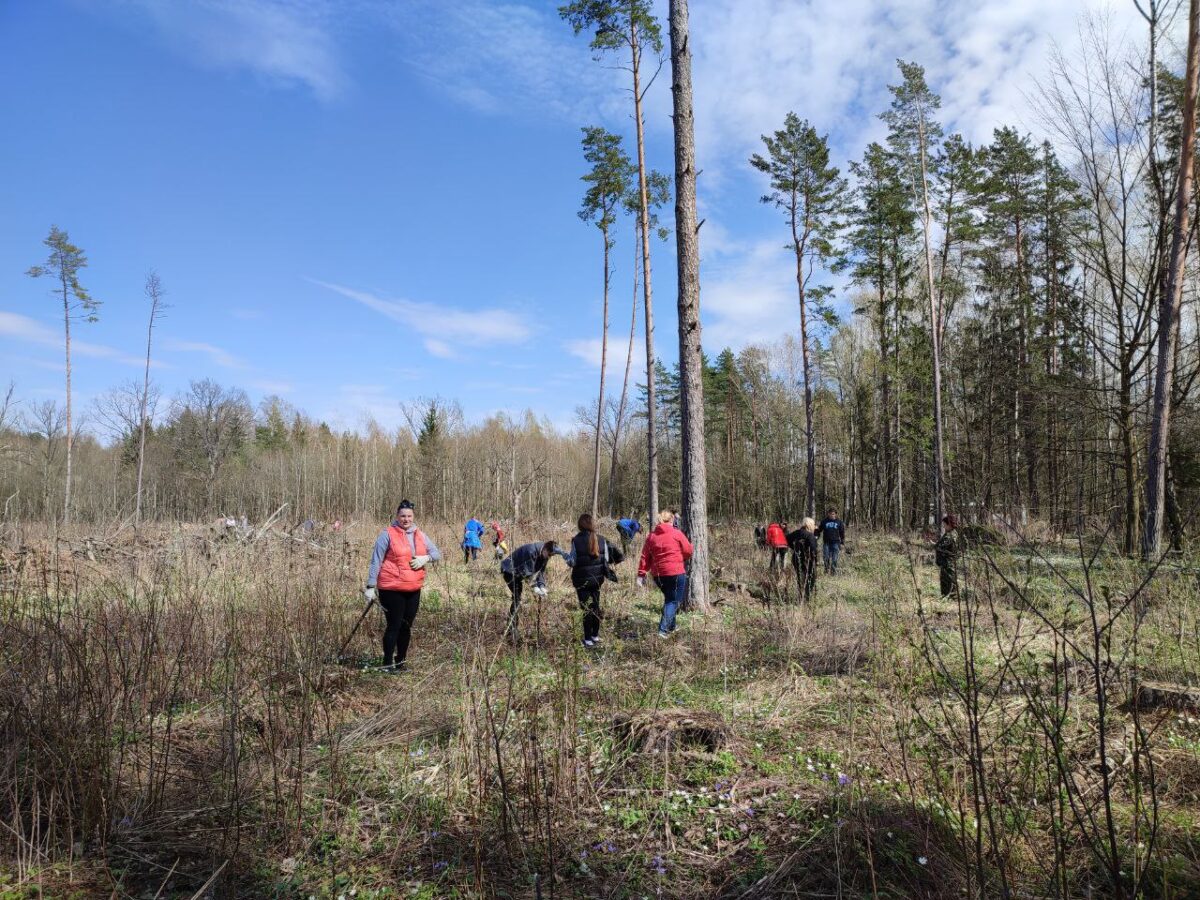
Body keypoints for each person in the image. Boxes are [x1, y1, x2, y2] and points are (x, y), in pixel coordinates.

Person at [363, 499, 442, 673]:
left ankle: (400, 662)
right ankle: (387, 663)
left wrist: (426, 558)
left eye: (409, 516)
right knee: (394, 625)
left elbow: (437, 553)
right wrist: (370, 586)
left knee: (406, 626)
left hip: (413, 588)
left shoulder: (420, 534)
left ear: (413, 517)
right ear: (397, 516)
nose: (406, 519)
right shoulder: (387, 534)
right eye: (402, 516)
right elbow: (376, 560)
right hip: (391, 588)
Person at [563, 513, 624, 647]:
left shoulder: (576, 540)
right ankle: (595, 635)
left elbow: (571, 562)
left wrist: (564, 555)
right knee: (595, 607)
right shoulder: (601, 539)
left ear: (580, 525)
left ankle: (588, 638)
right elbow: (607, 559)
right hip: (597, 580)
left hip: (581, 581)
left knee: (586, 608)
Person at [637, 509, 694, 639]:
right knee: (673, 601)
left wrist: (641, 573)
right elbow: (689, 550)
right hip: (676, 572)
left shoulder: (651, 536)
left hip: (658, 575)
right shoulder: (676, 533)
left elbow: (645, 557)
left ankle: (671, 627)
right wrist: (681, 558)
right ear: (672, 520)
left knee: (670, 599)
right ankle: (662, 631)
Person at [500, 540, 566, 640]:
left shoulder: (544, 554)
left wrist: (542, 585)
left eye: (551, 556)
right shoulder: (531, 551)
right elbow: (528, 572)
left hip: (518, 572)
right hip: (509, 571)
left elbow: (540, 572)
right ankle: (511, 629)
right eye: (549, 554)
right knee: (517, 599)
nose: (549, 557)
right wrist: (535, 587)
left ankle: (512, 627)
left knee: (517, 599)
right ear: (545, 549)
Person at [787, 517, 819, 602]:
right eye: (813, 524)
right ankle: (806, 598)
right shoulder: (810, 535)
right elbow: (813, 549)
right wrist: (815, 560)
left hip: (796, 558)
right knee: (811, 579)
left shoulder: (796, 533)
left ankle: (801, 597)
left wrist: (794, 548)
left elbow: (786, 539)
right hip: (807, 560)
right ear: (810, 525)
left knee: (800, 578)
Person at [935, 514, 963, 599]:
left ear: (950, 524)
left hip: (948, 562)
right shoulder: (950, 534)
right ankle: (946, 596)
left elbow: (941, 546)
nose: (944, 527)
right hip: (946, 561)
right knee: (945, 579)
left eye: (945, 525)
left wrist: (935, 546)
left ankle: (951, 597)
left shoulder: (951, 535)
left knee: (949, 579)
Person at [819, 509, 846, 574]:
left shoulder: (839, 522)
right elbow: (819, 530)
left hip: (836, 542)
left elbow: (842, 533)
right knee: (826, 557)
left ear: (835, 514)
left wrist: (842, 542)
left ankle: (833, 571)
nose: (832, 515)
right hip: (826, 542)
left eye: (833, 514)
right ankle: (826, 570)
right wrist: (815, 536)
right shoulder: (824, 521)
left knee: (835, 558)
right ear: (828, 514)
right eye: (830, 513)